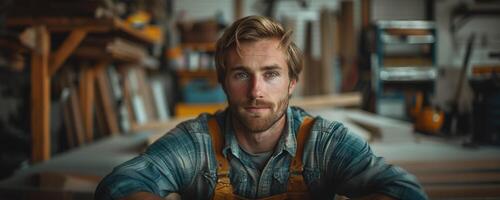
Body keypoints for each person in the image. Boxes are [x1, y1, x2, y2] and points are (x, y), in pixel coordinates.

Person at [95, 15, 427, 200]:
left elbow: (406, 192)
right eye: (241, 74)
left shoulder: (322, 143)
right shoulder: (198, 143)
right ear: (224, 81)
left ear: (292, 82)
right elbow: (119, 186)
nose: (256, 91)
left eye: (270, 74)